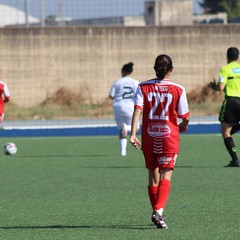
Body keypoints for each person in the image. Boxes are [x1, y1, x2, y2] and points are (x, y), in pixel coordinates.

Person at [130, 54, 189, 229]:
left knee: (152, 175)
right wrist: (184, 125)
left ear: (154, 68)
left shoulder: (143, 86)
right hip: (168, 137)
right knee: (166, 173)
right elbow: (184, 116)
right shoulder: (178, 89)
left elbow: (137, 110)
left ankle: (158, 211)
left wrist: (133, 134)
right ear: (171, 69)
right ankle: (158, 211)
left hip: (149, 136)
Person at [209, 47, 240, 167]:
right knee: (229, 131)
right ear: (238, 57)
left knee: (225, 132)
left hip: (232, 101)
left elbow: (221, 88)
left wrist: (213, 86)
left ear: (227, 57)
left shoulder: (225, 69)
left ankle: (235, 160)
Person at [109, 62, 139, 156]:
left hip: (118, 107)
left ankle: (123, 151)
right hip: (131, 107)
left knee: (122, 129)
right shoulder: (135, 82)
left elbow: (111, 96)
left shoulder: (117, 82)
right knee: (136, 128)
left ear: (122, 71)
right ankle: (127, 128)